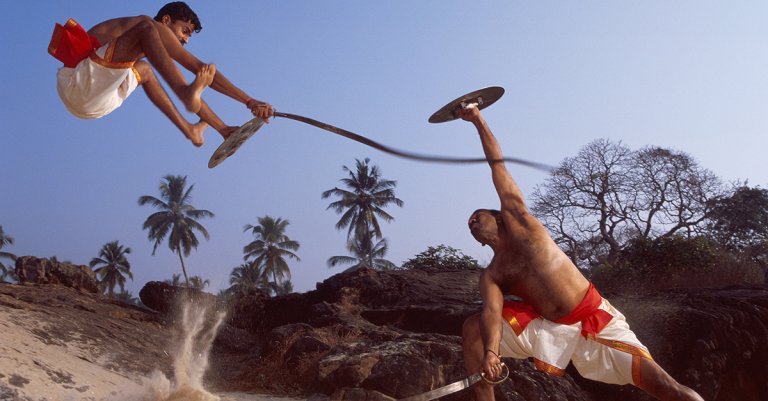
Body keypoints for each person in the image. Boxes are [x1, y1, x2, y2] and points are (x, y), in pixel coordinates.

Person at [458, 105, 704, 401]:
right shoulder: (493, 274)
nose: (472, 221)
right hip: (547, 328)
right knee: (474, 328)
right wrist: (491, 354)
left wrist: (477, 119)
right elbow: (492, 313)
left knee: (667, 387)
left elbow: (496, 163)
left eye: (477, 215)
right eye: (469, 223)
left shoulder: (522, 222)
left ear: (499, 216)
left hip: (595, 320)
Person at [48, 2, 273, 147]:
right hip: (80, 82)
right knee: (145, 30)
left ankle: (194, 130)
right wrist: (246, 100)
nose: (185, 39)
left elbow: (199, 68)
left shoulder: (144, 44)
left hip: (93, 101)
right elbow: (197, 68)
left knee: (144, 69)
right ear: (166, 20)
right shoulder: (147, 26)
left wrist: (248, 104)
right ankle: (185, 94)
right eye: (184, 31)